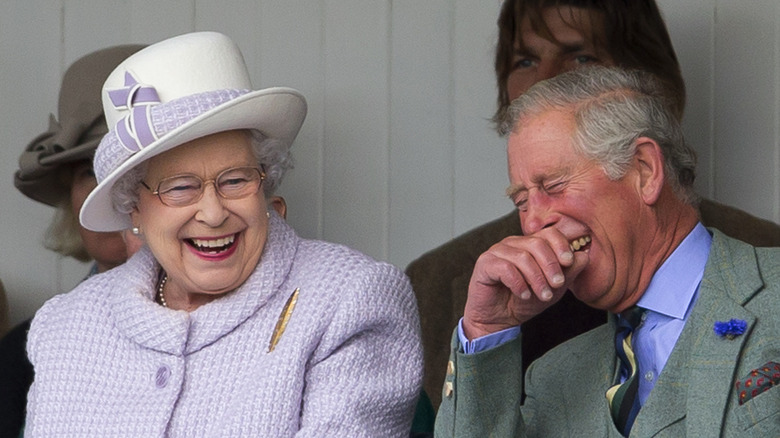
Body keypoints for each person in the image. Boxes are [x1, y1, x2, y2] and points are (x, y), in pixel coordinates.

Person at [24, 31, 422, 437]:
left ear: (266, 186)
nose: (213, 214)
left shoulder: (349, 299)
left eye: (235, 180)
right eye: (180, 187)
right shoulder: (66, 326)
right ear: (134, 208)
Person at [408, 0, 780, 410]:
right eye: (526, 61)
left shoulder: (765, 256)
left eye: (581, 57)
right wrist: (485, 333)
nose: (544, 81)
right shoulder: (441, 284)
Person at [0, 44, 145, 438]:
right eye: (91, 173)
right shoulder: (24, 352)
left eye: (137, 170)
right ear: (70, 198)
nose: (115, 194)